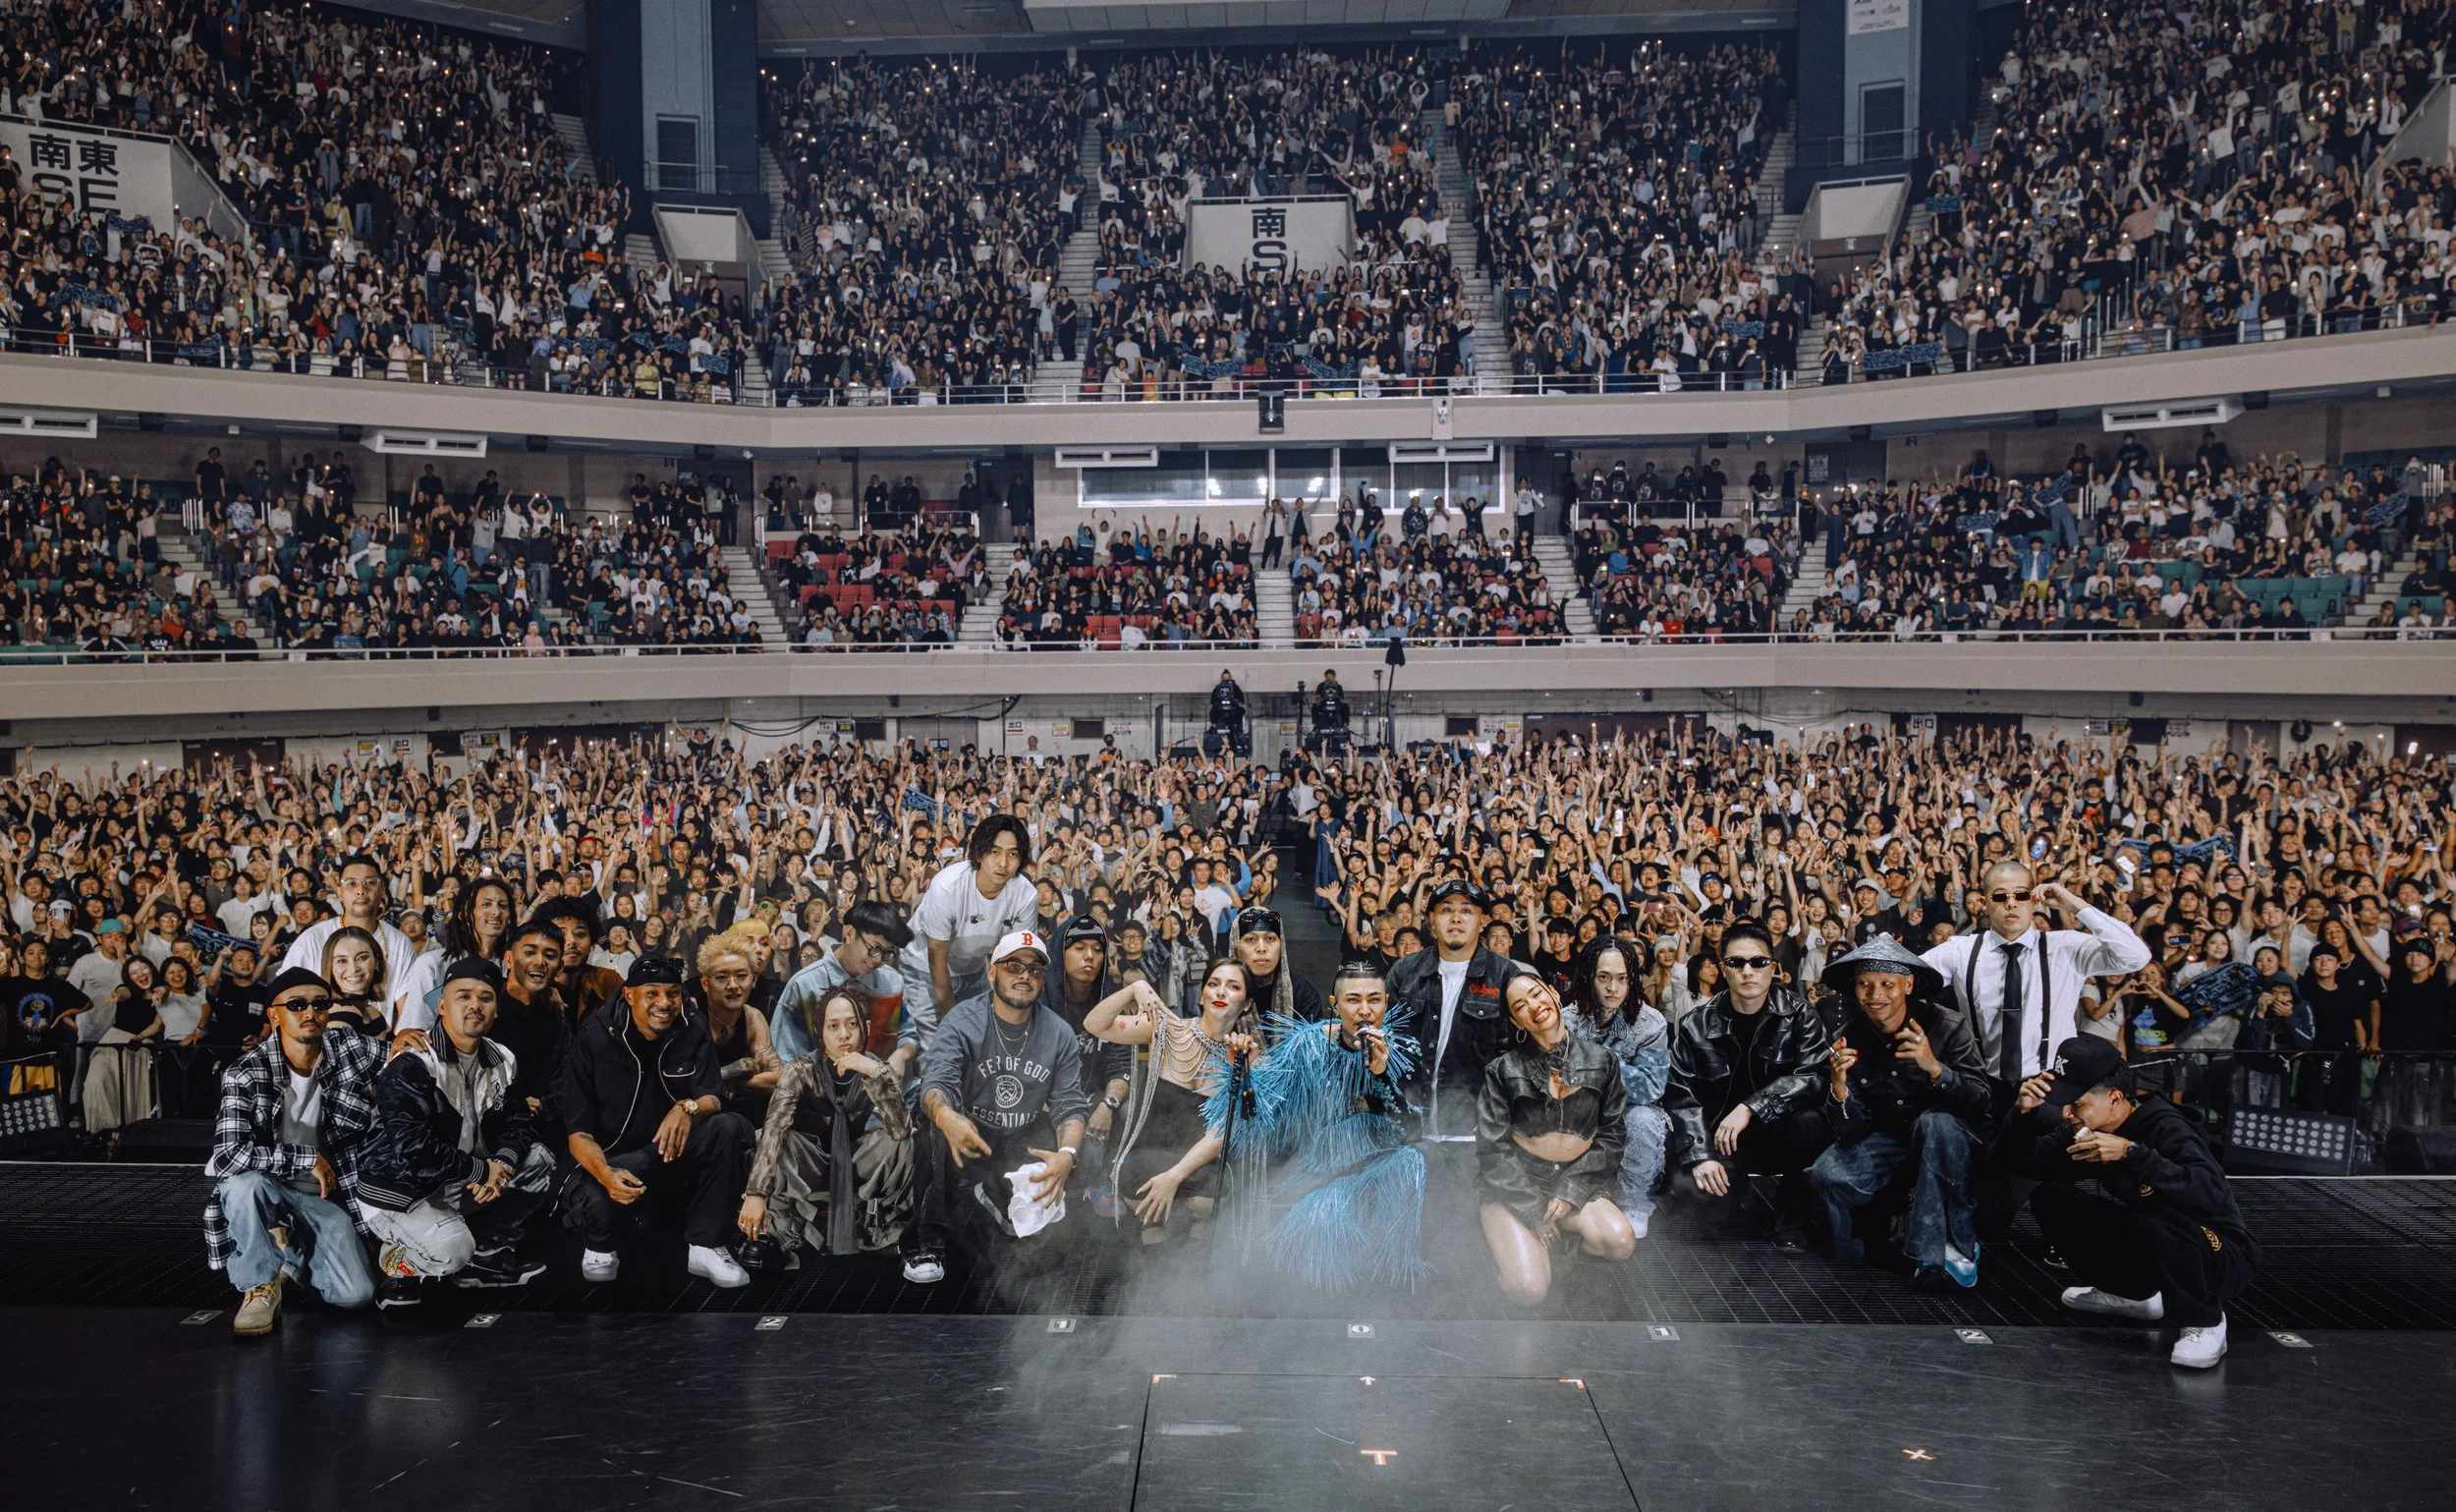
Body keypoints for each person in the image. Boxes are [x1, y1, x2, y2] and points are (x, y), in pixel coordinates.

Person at [2008, 1036, 2260, 1369]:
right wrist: (2021, 1116)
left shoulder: (2167, 1127)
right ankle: (2133, 1295)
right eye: (2063, 1102)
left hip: (2220, 1253)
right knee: (2050, 1197)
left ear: (2114, 1098)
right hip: (2156, 1238)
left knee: (2155, 1218)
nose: (2067, 1113)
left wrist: (2132, 1153)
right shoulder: (2082, 1129)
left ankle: (2206, 1322)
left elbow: (2211, 1192)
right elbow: (2022, 1163)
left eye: (2077, 1103)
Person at [355, 959, 555, 1302]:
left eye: (486, 998)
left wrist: (502, 1165)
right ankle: (397, 1264)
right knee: (452, 1250)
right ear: (443, 1006)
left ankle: (487, 1253)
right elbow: (413, 1150)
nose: (475, 1005)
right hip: (400, 1191)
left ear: (496, 1011)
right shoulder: (413, 1063)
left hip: (458, 1177)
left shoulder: (502, 1058)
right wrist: (482, 1169)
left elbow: (518, 1119)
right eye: (463, 996)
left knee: (539, 1161)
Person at [202, 968, 384, 1337]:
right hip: (269, 1187)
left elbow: (408, 1058)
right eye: (297, 1004)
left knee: (356, 1296)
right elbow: (226, 1156)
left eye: (320, 1004)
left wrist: (412, 1040)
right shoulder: (246, 1073)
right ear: (274, 1014)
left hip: (324, 1195)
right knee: (241, 1186)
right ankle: (260, 1286)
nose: (310, 1013)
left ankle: (292, 1255)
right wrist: (305, 1157)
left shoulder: (348, 1047)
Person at [557, 954, 754, 1288]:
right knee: (598, 1248)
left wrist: (686, 1107)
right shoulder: (594, 1037)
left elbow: (714, 1097)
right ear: (629, 995)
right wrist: (606, 1175)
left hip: (667, 1152)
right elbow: (578, 1133)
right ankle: (600, 1243)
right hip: (610, 1160)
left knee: (729, 1127)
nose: (664, 1003)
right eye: (652, 993)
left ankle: (705, 1245)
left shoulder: (692, 1028)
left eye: (672, 993)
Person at [1805, 935, 1992, 1286]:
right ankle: (1886, 1222)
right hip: (1890, 1139)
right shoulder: (1849, 1034)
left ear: (1907, 985)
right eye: (1865, 985)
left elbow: (1981, 1100)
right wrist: (1839, 1084)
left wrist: (1935, 1068)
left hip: (1951, 1140)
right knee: (1828, 1175)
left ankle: (1944, 1250)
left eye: (1887, 984)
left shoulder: (1947, 1025)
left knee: (1935, 1123)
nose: (1876, 995)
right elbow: (1850, 1131)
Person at [909, 929, 1089, 1287]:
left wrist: (1067, 1155)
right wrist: (948, 1117)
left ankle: (1033, 1231)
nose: (1025, 975)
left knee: (1083, 1154)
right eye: (1013, 966)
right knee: (933, 1128)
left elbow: (1070, 1105)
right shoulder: (962, 1021)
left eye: (1035, 970)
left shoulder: (1058, 1033)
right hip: (970, 1130)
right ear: (992, 972)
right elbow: (935, 1085)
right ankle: (925, 1241)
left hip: (1020, 1134)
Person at [1248, 960, 1425, 1290]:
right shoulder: (1307, 1047)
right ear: (1335, 1004)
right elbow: (1264, 1114)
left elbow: (1413, 1131)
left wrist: (1381, 1075)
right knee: (1321, 1224)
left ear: (1387, 1002)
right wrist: (1243, 1076)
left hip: (1382, 1168)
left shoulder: (1405, 1050)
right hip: (1319, 1172)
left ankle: (1387, 1280)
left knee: (1412, 1162)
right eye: (1353, 1000)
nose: (1365, 1010)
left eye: (1374, 999)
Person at [1660, 920, 1833, 1237]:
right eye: (1736, 963)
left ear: (1773, 967)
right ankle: (1732, 1192)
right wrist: (1700, 1156)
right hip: (1722, 1141)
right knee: (1695, 1204)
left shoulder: (1800, 1015)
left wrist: (1751, 1107)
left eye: (1759, 962)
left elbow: (1814, 1076)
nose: (1748, 971)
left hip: (1782, 1134)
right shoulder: (1694, 1024)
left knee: (1812, 1123)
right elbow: (1681, 1094)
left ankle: (1793, 1213)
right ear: (1723, 969)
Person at [1477, 971, 1637, 1305]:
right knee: (1529, 1292)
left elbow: (1612, 1136)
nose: (1533, 1006)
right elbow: (1493, 1150)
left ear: (1553, 993)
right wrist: (1533, 1210)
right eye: (1520, 1006)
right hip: (1517, 1185)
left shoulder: (1602, 1060)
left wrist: (1571, 1191)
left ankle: (1562, 1250)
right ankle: (1510, 1251)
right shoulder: (1502, 1070)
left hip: (1576, 1178)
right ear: (1517, 1022)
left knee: (1619, 1241)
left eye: (1536, 994)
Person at [737, 983, 915, 1260]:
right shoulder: (800, 1069)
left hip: (856, 1162)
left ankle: (879, 1227)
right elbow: (775, 1127)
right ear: (820, 1031)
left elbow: (900, 1130)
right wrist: (755, 1193)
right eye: (833, 1026)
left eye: (852, 1025)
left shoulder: (874, 1067)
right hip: (811, 1164)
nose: (844, 1034)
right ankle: (781, 1231)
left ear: (865, 1027)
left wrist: (875, 1072)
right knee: (768, 1139)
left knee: (902, 1141)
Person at [1086, 961, 1256, 1247]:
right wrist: (1135, 988)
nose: (1221, 991)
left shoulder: (1244, 1055)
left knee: (1208, 1200)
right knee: (1148, 1204)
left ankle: (1194, 1258)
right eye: (1213, 984)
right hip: (1146, 1158)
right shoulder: (1167, 1030)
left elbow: (1223, 1133)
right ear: (1201, 996)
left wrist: (1174, 1178)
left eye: (1233, 986)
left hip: (1198, 1166)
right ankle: (1152, 1245)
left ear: (1247, 1004)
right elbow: (1094, 1024)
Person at [1388, 879, 1526, 1143]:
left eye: (1466, 911)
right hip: (1412, 1126)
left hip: (1473, 1131)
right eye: (1446, 910)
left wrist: (1498, 1114)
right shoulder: (1405, 972)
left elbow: (1517, 1057)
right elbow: (1389, 1044)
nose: (1456, 919)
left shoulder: (1505, 975)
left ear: (1482, 921)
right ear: (1431, 921)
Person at [899, 814, 1038, 1055]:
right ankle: (920, 1090)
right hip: (924, 968)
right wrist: (956, 1022)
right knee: (936, 1047)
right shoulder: (947, 887)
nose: (1003, 863)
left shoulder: (1025, 895)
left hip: (973, 969)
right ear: (979, 853)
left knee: (984, 1042)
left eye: (1013, 854)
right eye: (995, 852)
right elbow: (937, 959)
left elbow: (1018, 960)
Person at [1563, 935, 1671, 1238]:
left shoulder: (1651, 1023)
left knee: (1645, 1119)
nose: (1613, 988)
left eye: (1622, 979)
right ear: (1589, 978)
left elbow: (1651, 1087)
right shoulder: (1567, 1020)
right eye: (1604, 978)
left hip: (1628, 1113)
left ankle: (1634, 1203)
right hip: (1577, 1112)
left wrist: (1597, 1063)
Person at [1039, 915, 1133, 1204]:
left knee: (1127, 1109)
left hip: (1091, 1095)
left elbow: (1121, 1064)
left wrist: (1109, 1104)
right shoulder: (1040, 1000)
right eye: (1079, 948)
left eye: (1097, 949)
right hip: (1045, 1100)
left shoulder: (1109, 998)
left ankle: (1111, 1184)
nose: (1089, 957)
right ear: (1060, 953)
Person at [277, 854, 418, 1027]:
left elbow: (407, 1009)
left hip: (379, 1040)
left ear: (381, 890)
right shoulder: (312, 938)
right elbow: (282, 996)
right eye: (351, 884)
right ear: (340, 893)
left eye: (370, 883)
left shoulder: (399, 942)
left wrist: (396, 1047)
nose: (361, 890)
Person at [773, 899, 914, 1070]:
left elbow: (910, 1033)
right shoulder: (804, 986)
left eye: (887, 953)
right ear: (848, 933)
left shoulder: (893, 983)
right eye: (874, 948)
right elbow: (786, 1058)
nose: (878, 960)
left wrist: (902, 1054)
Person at [1233, 907, 1325, 1026]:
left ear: (1281, 945)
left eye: (1270, 939)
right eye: (1251, 939)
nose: (1261, 948)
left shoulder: (1303, 994)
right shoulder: (1221, 993)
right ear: (1236, 945)